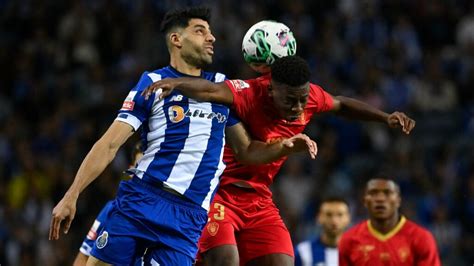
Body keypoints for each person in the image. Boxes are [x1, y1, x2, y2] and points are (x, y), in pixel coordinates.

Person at [48, 7, 317, 266]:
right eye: (200, 31)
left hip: (189, 217)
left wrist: (285, 147)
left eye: (210, 32)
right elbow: (109, 144)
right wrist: (72, 194)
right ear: (176, 39)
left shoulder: (222, 88)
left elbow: (246, 150)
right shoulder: (152, 81)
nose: (211, 37)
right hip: (144, 198)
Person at [142, 55, 416, 265]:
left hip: (259, 199)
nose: (298, 108)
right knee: (226, 260)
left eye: (303, 100)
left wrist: (385, 117)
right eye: (291, 100)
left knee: (283, 260)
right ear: (272, 89)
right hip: (218, 194)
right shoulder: (247, 94)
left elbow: (342, 104)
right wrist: (177, 83)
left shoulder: (308, 99)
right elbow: (213, 94)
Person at [338, 178, 441, 266]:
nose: (380, 199)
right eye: (373, 193)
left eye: (387, 193)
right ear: (365, 201)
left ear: (398, 201)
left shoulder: (421, 238)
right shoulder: (349, 240)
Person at [73, 142, 143, 266]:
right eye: (140, 168)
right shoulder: (112, 209)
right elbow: (82, 259)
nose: (143, 175)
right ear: (131, 170)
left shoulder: (173, 219)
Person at [294, 197, 351, 266]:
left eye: (340, 215)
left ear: (348, 218)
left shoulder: (359, 252)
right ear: (319, 217)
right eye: (329, 215)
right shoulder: (302, 252)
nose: (334, 220)